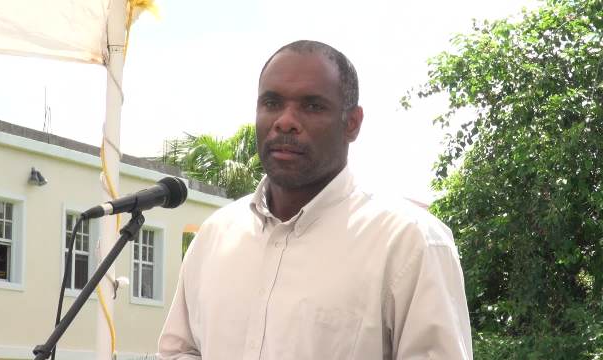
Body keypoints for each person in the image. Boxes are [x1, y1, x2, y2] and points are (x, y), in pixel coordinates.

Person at [158, 40, 472, 359]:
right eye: (271, 103)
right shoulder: (216, 234)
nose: (285, 121)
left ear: (352, 123)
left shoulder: (409, 241)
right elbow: (180, 349)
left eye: (312, 106)